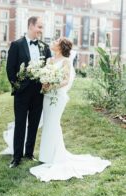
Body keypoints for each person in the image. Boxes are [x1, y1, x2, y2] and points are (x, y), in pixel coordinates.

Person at [28, 37, 111, 181]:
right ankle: (47, 156)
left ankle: (57, 156)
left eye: (56, 42)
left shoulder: (66, 61)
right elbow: (44, 77)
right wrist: (44, 83)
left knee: (53, 124)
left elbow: (65, 80)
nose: (53, 42)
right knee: (48, 124)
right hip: (47, 97)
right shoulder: (49, 61)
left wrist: (51, 85)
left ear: (60, 47)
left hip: (57, 97)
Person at [6, 16, 51, 168]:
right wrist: (17, 86)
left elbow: (49, 68)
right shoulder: (16, 45)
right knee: (20, 123)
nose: (41, 30)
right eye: (39, 26)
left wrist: (47, 83)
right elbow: (10, 69)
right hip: (22, 93)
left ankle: (29, 153)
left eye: (42, 27)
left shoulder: (45, 47)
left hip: (39, 92)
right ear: (31, 26)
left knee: (34, 123)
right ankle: (16, 157)